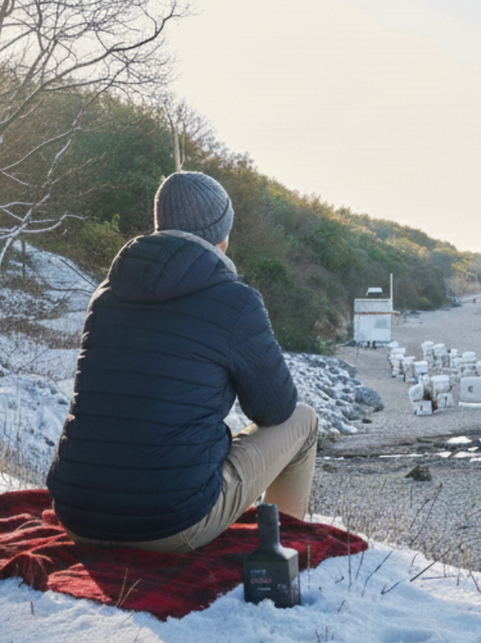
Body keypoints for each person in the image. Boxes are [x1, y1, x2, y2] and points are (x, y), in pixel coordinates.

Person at [46, 171, 318, 553]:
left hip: (76, 515)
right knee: (303, 420)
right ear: (222, 238)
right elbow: (275, 410)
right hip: (169, 525)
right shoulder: (235, 301)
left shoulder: (106, 294)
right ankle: (282, 550)